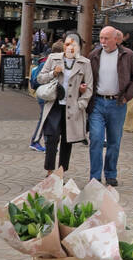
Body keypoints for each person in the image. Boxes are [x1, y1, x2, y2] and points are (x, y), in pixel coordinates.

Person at [87, 26, 133, 187]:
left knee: (114, 141)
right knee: (95, 138)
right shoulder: (94, 55)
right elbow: (87, 76)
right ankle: (95, 176)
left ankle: (110, 173)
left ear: (116, 39)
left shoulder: (127, 55)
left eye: (106, 38)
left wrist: (127, 97)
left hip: (117, 103)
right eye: (101, 38)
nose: (102, 42)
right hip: (97, 102)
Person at [33, 35, 91, 175]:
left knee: (67, 140)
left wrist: (81, 104)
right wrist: (54, 72)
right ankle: (49, 171)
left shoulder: (85, 63)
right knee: (51, 138)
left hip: (72, 107)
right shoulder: (53, 58)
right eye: (67, 44)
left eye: (73, 44)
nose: (69, 47)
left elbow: (89, 87)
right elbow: (40, 78)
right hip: (54, 105)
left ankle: (61, 172)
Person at [29, 40, 64, 153]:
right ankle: (36, 141)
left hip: (47, 95)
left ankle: (46, 142)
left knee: (46, 118)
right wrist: (53, 73)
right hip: (45, 95)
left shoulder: (47, 61)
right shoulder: (47, 62)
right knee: (44, 119)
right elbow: (38, 79)